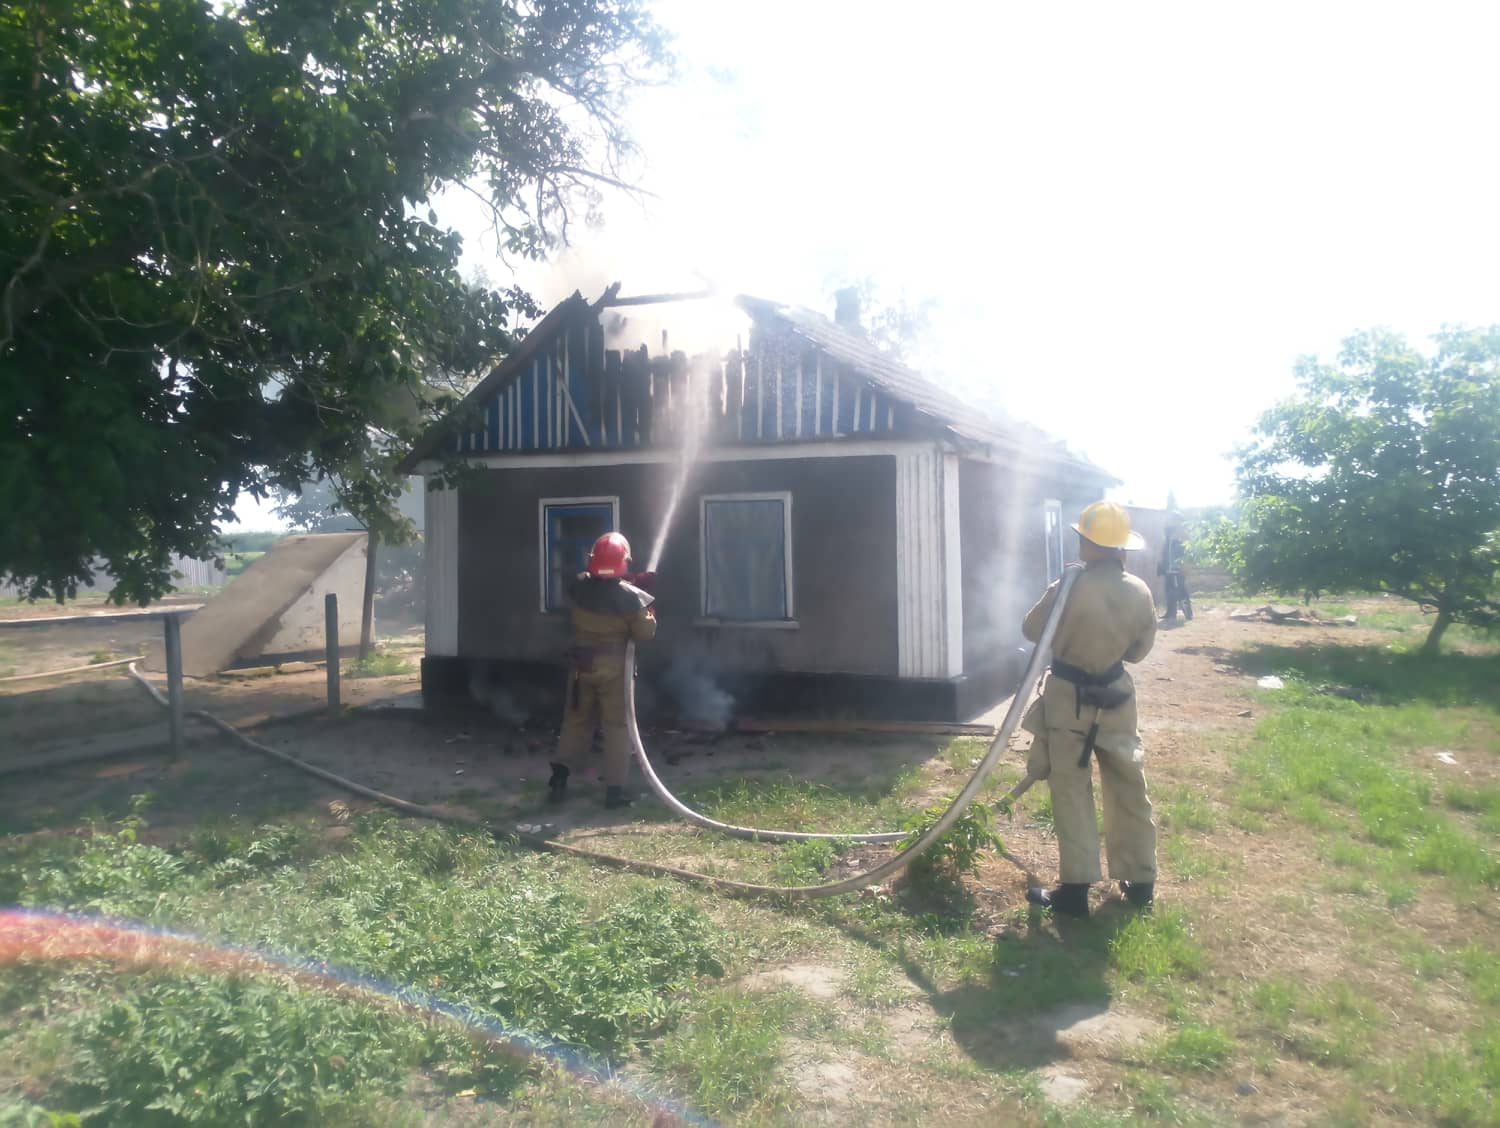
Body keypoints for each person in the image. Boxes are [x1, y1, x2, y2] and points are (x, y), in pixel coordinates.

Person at [1020, 501, 1158, 918]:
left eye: (1081, 537)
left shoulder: (1068, 584)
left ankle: (1075, 890)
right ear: (1121, 548)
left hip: (1069, 697)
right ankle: (1140, 882)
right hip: (1116, 694)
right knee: (1128, 782)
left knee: (1070, 788)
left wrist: (1063, 589)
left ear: (1088, 542)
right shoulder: (1139, 590)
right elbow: (1139, 652)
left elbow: (1031, 630)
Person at [548, 532, 656, 810]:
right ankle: (614, 793)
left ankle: (558, 780)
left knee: (575, 722)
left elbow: (597, 590)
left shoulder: (578, 586)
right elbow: (644, 633)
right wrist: (647, 609)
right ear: (624, 561)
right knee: (616, 727)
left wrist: (624, 587)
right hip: (614, 670)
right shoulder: (630, 598)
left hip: (581, 667)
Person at [1158, 517, 1193, 624]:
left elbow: (1185, 553)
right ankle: (1170, 613)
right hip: (1168, 568)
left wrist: (1183, 566)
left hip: (1178, 568)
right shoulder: (1167, 537)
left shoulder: (1181, 535)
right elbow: (1164, 552)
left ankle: (1188, 613)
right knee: (1169, 591)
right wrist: (1162, 566)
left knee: (1181, 590)